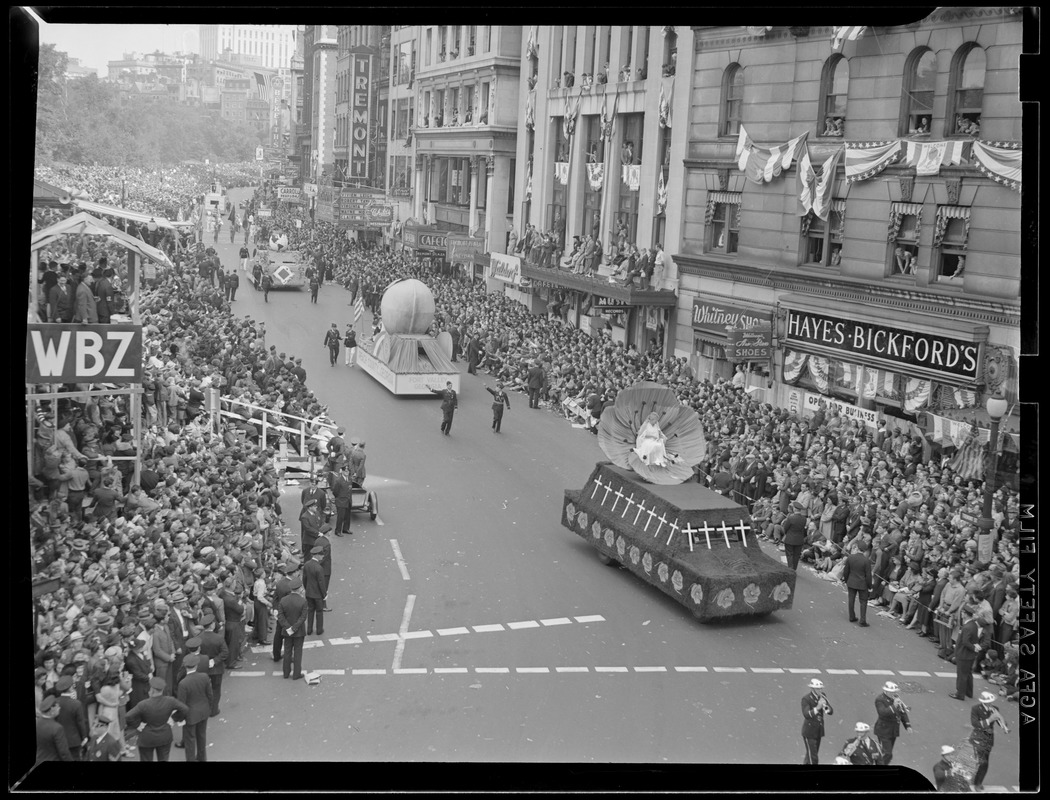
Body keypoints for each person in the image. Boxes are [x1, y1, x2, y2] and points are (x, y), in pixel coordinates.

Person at [124, 676, 190, 762]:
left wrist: (137, 725)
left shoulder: (143, 704)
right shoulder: (170, 701)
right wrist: (174, 719)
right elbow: (185, 709)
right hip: (164, 736)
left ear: (152, 690)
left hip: (146, 738)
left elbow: (128, 716)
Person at [174, 654, 212, 763]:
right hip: (203, 711)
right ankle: (201, 758)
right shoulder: (204, 676)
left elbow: (181, 704)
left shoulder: (183, 683)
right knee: (201, 737)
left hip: (190, 715)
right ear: (196, 666)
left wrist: (177, 718)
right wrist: (208, 708)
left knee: (190, 741)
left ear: (185, 667)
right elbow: (210, 695)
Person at [970, 691, 1006, 790]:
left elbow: (999, 721)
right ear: (983, 702)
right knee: (983, 762)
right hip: (978, 737)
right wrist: (989, 720)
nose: (990, 703)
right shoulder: (976, 709)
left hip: (989, 739)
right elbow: (975, 724)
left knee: (984, 761)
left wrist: (1004, 724)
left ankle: (978, 781)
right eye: (988, 702)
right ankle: (977, 783)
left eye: (991, 701)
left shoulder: (995, 709)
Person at [277, 577, 308, 681]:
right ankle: (296, 674)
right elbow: (303, 617)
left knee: (287, 651)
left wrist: (288, 628)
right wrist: (294, 628)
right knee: (298, 652)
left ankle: (286, 673)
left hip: (287, 632)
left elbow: (280, 616)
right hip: (298, 632)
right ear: (299, 589)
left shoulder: (283, 600)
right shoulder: (303, 601)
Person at [197, 614, 228, 717]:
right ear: (212, 625)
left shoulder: (199, 638)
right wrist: (214, 661)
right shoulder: (218, 638)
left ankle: (205, 709)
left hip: (202, 668)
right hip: (216, 668)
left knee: (204, 690)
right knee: (216, 689)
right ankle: (214, 710)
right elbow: (225, 653)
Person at [873, 681, 911, 765]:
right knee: (887, 753)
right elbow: (882, 713)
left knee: (887, 754)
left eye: (895, 692)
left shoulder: (896, 698)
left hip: (893, 730)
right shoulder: (880, 700)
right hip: (883, 730)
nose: (894, 694)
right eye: (892, 692)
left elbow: (902, 712)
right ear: (886, 691)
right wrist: (894, 706)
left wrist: (907, 725)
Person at [54, 675, 89, 760]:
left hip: (59, 739)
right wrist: (84, 737)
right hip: (74, 740)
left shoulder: (55, 702)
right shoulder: (76, 704)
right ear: (70, 688)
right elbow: (80, 722)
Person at [950, 606, 981, 700]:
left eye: (963, 613)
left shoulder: (967, 627)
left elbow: (965, 642)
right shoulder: (973, 624)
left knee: (961, 675)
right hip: (969, 655)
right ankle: (968, 692)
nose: (962, 614)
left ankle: (960, 694)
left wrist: (973, 648)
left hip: (964, 654)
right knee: (968, 674)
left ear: (966, 615)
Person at [841, 540, 873, 626]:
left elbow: (846, 571)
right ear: (864, 550)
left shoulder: (850, 557)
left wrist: (846, 580)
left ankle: (852, 616)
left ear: (857, 548)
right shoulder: (866, 561)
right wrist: (869, 586)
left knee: (851, 599)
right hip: (862, 584)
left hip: (851, 581)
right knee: (863, 602)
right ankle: (862, 620)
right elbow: (868, 575)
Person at [801, 677, 832, 765]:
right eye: (818, 689)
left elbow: (830, 711)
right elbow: (807, 714)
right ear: (812, 688)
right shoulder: (806, 699)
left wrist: (826, 707)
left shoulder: (823, 696)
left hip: (818, 731)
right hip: (809, 732)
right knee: (813, 758)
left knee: (810, 755)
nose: (820, 690)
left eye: (821, 688)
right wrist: (818, 707)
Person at [36, 695, 74, 764]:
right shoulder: (57, 728)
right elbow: (64, 753)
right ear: (51, 709)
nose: (59, 708)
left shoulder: (37, 723)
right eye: (57, 706)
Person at [303, 546, 327, 636]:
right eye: (321, 555)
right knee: (319, 612)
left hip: (309, 592)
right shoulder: (319, 568)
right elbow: (321, 583)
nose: (322, 557)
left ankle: (309, 629)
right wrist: (324, 594)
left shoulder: (307, 565)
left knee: (310, 611)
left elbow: (304, 579)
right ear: (317, 555)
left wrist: (307, 589)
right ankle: (319, 630)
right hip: (317, 594)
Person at [782, 501, 808, 572]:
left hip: (790, 538)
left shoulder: (791, 518)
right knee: (796, 555)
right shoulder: (804, 519)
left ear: (795, 509)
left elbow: (785, 528)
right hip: (799, 539)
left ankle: (790, 569)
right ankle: (794, 569)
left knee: (790, 554)